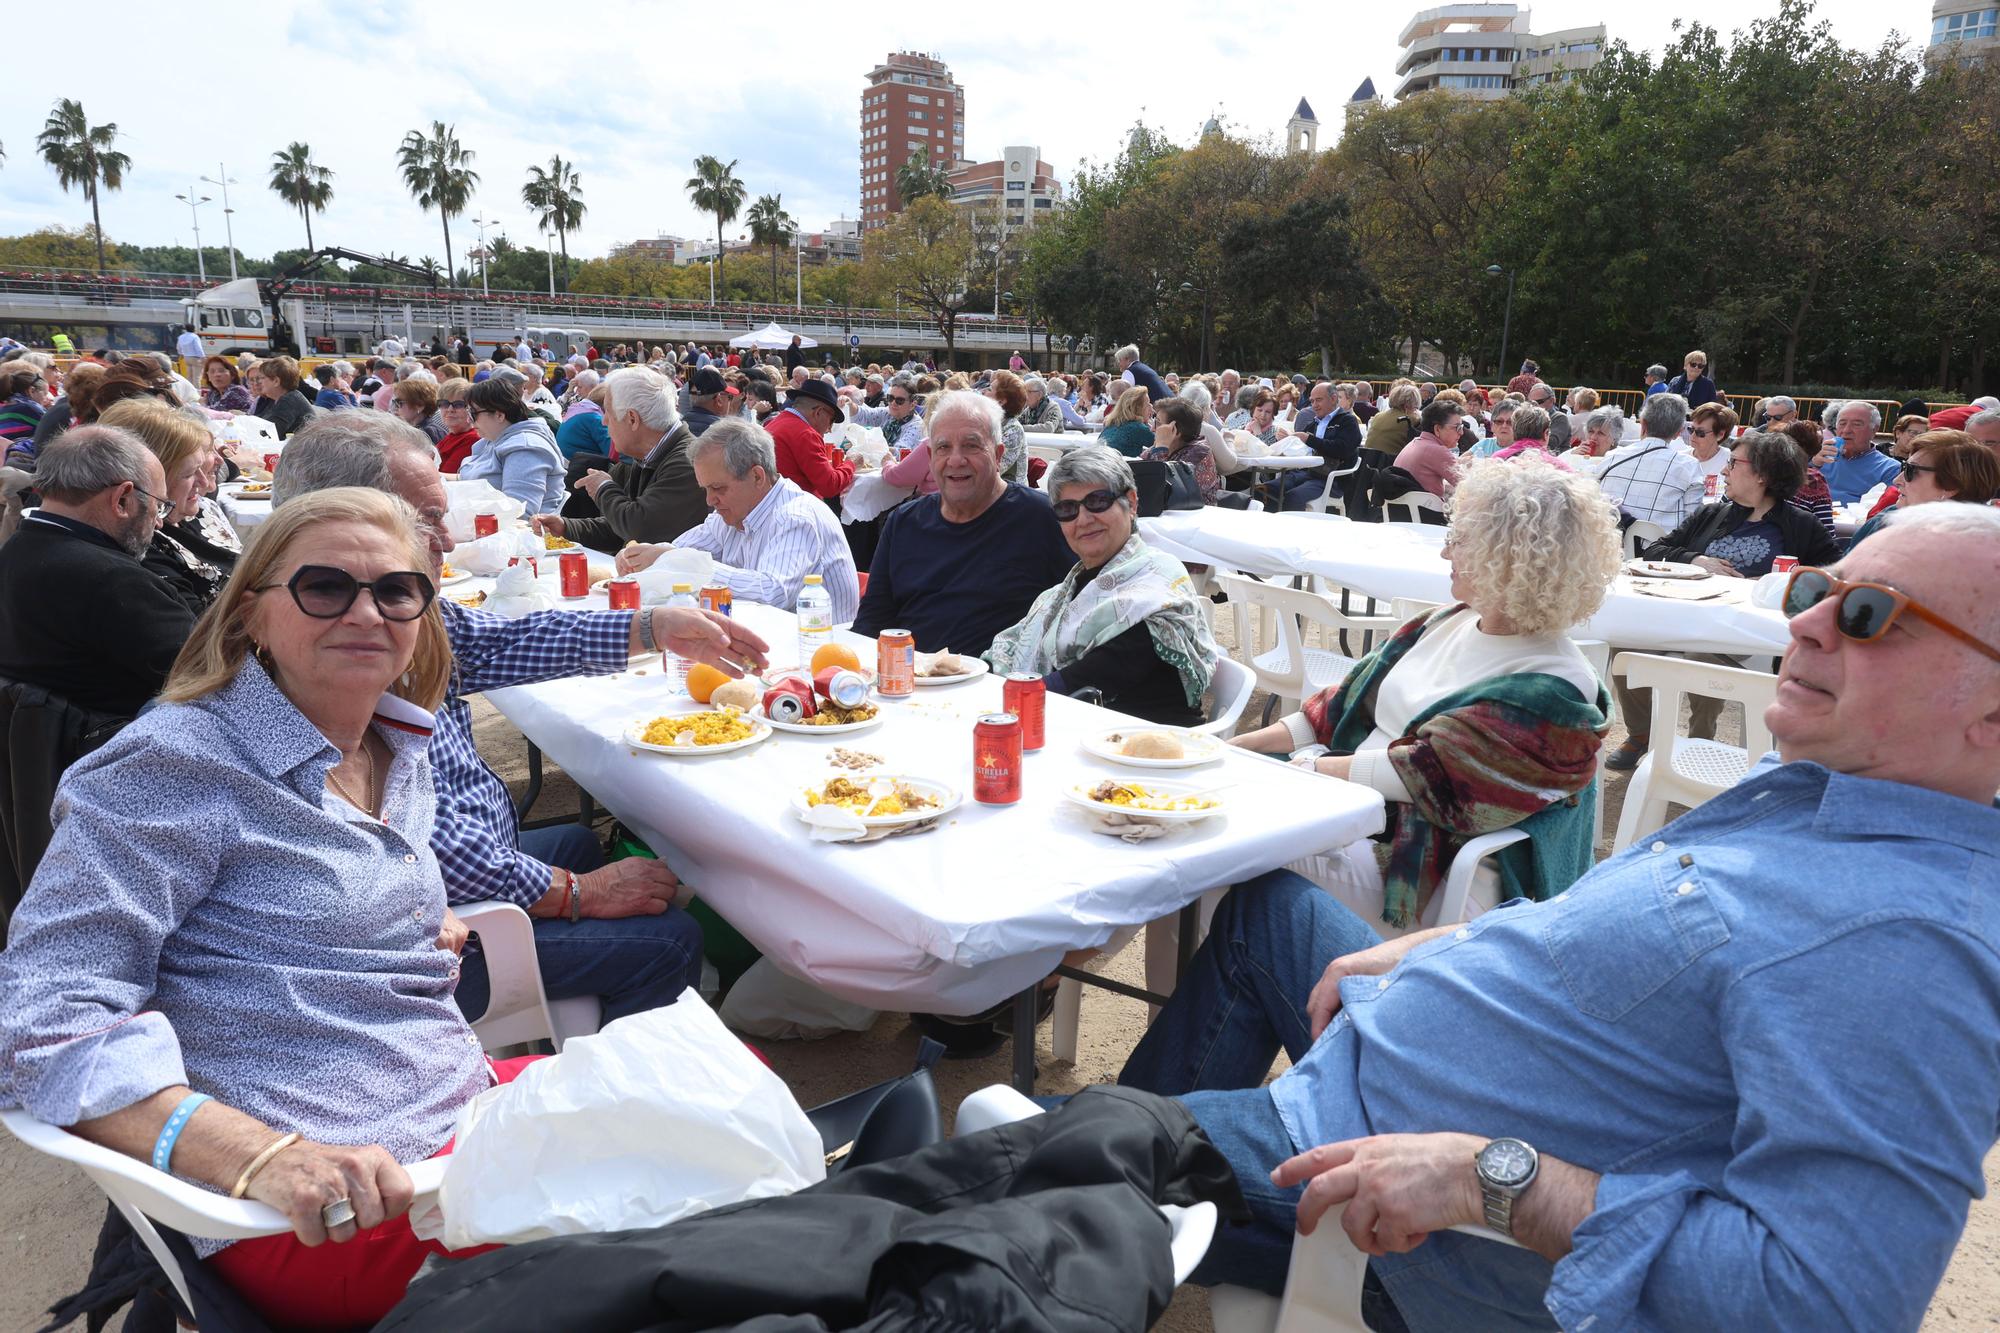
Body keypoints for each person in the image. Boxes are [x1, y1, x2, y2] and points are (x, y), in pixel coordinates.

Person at [1121, 504, 2000, 1331]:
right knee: (1265, 908)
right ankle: (1160, 1152)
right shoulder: (1829, 799)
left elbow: (1826, 1300)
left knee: (1031, 1167)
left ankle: (1147, 1168)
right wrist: (1456, 942)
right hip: (1398, 1029)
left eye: (1873, 614)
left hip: (1387, 1162)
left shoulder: (1909, 946)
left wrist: (1489, 1177)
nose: (1803, 621)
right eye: (1816, 589)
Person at [273, 416, 767, 1045]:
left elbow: (508, 640)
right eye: (424, 521)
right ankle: (613, 1108)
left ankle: (564, 1035)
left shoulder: (386, 608)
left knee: (582, 843)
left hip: (439, 886)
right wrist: (576, 895)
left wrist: (650, 628)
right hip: (422, 940)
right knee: (670, 939)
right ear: (340, 523)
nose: (446, 544)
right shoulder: (345, 647)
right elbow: (420, 841)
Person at [1229, 456, 1614, 930]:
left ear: (1510, 558)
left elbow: (1427, 776)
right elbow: (1337, 708)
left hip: (1426, 870)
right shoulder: (1443, 621)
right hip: (1356, 816)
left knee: (1222, 849)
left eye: (1459, 539)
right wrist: (1228, 750)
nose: (1445, 553)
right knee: (1210, 833)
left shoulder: (1555, 687)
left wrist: (1303, 770)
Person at [984, 447, 1218, 725]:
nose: (1083, 519)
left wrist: (986, 701)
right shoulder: (1067, 590)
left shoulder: (1154, 588)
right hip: (1081, 729)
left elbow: (1077, 682)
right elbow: (1009, 648)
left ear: (1131, 503)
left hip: (1146, 748)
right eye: (1068, 509)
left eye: (1098, 501)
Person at [852, 391, 1075, 654]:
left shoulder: (1043, 519)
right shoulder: (904, 522)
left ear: (998, 455)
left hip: (998, 686)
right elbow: (872, 622)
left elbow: (1076, 620)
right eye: (943, 448)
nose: (956, 460)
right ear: (930, 456)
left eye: (972, 445)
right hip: (910, 681)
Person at [0, 426, 196, 716]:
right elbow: (212, 671)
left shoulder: (15, 550)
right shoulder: (112, 580)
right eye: (159, 506)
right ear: (122, 499)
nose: (159, 523)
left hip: (39, 751)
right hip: (118, 747)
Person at [616, 418, 861, 622]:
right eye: (706, 489)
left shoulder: (794, 516)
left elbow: (772, 592)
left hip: (821, 652)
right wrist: (644, 557)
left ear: (757, 476)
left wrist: (678, 561)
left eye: (718, 488)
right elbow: (678, 552)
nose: (710, 500)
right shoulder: (733, 512)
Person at [533, 367, 705, 553]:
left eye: (608, 412)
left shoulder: (687, 462)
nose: (604, 421)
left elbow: (639, 529)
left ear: (632, 419)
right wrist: (565, 528)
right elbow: (619, 529)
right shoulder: (651, 454)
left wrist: (604, 488)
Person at [99, 399, 238, 613]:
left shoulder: (199, 509)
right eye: (190, 472)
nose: (203, 483)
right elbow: (199, 630)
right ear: (153, 475)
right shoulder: (143, 544)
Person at [1846, 430, 2000, 551]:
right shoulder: (1888, 518)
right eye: (1904, 466)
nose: (1897, 480)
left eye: (1910, 470)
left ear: (1950, 485)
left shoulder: (1980, 549)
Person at [1579, 392, 1703, 529]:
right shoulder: (1689, 466)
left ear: (1643, 424)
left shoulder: (1612, 457)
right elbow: (1692, 522)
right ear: (1678, 433)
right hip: (1658, 547)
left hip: (1609, 543)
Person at [459, 376, 564, 513]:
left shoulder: (525, 449)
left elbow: (518, 512)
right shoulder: (494, 438)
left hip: (514, 531)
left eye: (473, 413)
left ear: (499, 415)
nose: (468, 420)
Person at [766, 377, 853, 502]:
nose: (829, 428)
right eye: (831, 420)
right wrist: (851, 464)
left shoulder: (777, 421)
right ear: (818, 412)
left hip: (777, 502)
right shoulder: (806, 434)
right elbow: (829, 486)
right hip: (797, 508)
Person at [1279, 380, 1362, 510]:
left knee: (1293, 496)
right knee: (1269, 488)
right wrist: (1287, 438)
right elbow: (1300, 443)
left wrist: (1309, 439)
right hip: (1308, 473)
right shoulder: (1315, 422)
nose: (1314, 405)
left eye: (1318, 400)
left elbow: (1342, 449)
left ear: (1333, 398)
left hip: (1331, 479)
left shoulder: (1348, 421)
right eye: (1312, 401)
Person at [1816, 401, 1899, 504]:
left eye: (1856, 424)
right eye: (1842, 423)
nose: (1846, 430)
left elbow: (1885, 510)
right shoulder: (1821, 457)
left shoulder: (1889, 468)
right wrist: (1812, 466)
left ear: (1874, 430)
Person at [1142, 398, 1221, 505]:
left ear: (1175, 430)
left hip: (1194, 518)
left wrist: (1161, 447)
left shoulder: (1198, 452)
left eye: (1158, 423)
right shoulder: (1166, 445)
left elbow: (1161, 490)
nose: (1152, 428)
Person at [1392, 400, 1464, 498]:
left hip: (1402, 510)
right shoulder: (1438, 451)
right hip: (1425, 511)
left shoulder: (1414, 443)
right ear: (1437, 429)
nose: (1461, 432)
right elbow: (1467, 486)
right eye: (1458, 427)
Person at [246, 356, 316, 441]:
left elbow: (268, 434)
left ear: (276, 381)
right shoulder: (276, 399)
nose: (260, 382)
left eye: (262, 378)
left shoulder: (290, 400)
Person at [0, 364, 52, 466]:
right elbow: (51, 428)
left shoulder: (5, 408)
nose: (47, 398)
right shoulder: (30, 408)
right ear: (31, 390)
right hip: (21, 459)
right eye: (45, 394)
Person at [986, 369, 1031, 484]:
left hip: (1012, 496)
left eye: (989, 389)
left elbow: (992, 470)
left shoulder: (1013, 430)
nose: (983, 392)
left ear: (1001, 401)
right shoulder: (990, 422)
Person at [1683, 400, 1735, 487]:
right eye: (1690, 429)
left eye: (1700, 433)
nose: (1692, 436)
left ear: (1720, 435)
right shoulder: (1680, 458)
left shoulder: (1731, 461)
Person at [1362, 382, 1421, 458]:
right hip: (1390, 464)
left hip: (1369, 461)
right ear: (1408, 406)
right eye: (1416, 407)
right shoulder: (1411, 419)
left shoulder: (1378, 416)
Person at [434, 379, 479, 474]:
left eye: (458, 405)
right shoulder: (453, 435)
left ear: (472, 409)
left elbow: (447, 474)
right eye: (444, 404)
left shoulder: (473, 439)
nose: (450, 409)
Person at [681, 365, 740, 438]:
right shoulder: (728, 435)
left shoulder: (677, 428)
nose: (730, 403)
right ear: (719, 400)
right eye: (730, 397)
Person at [1097, 386, 1156, 458]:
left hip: (1101, 464)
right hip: (1119, 467)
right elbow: (1164, 445)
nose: (1151, 408)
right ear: (1137, 408)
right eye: (1147, 404)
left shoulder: (1110, 425)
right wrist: (1154, 425)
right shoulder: (1138, 428)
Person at [392, 376, 446, 445]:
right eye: (394, 402)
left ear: (419, 406)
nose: (395, 407)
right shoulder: (414, 427)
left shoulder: (428, 433)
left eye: (400, 403)